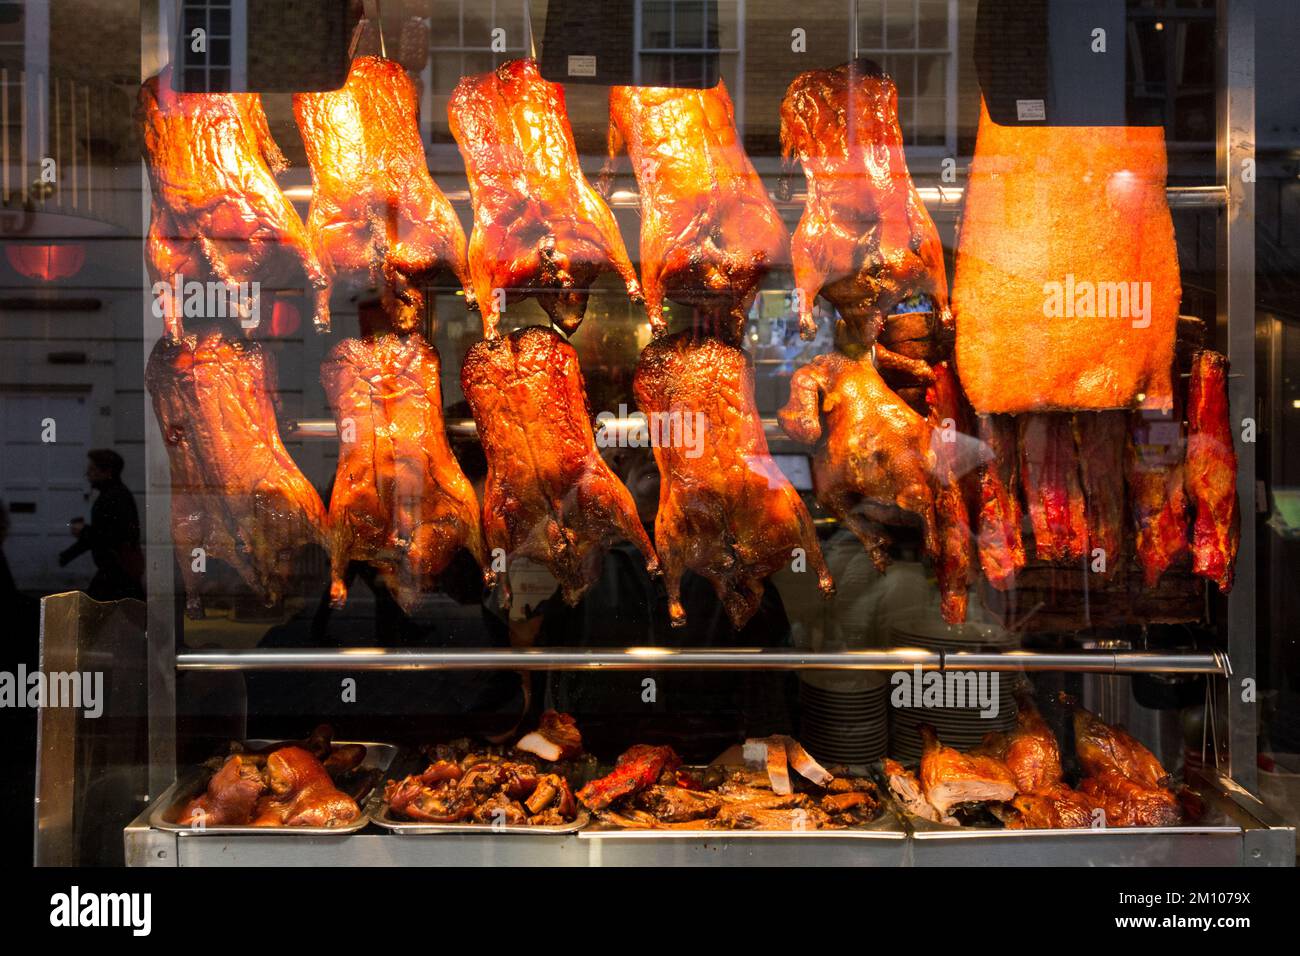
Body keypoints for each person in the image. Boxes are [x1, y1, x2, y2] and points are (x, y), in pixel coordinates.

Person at [58, 449, 145, 601]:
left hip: (116, 570)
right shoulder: (115, 495)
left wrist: (83, 531)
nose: (87, 474)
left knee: (95, 612)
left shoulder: (113, 497)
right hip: (116, 569)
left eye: (92, 469)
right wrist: (68, 554)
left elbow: (110, 536)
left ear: (107, 472)